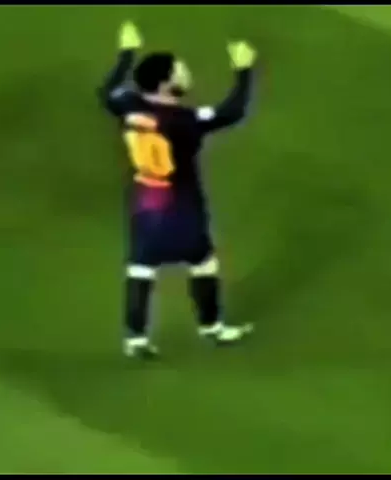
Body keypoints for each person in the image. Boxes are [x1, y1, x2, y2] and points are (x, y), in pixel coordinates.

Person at [99, 22, 257, 359]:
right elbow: (231, 112)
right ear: (165, 83)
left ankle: (135, 339)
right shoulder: (184, 120)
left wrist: (127, 53)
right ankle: (212, 326)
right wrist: (244, 71)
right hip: (182, 207)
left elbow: (107, 91)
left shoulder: (127, 104)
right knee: (203, 263)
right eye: (179, 70)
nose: (186, 74)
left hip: (146, 204)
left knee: (140, 268)